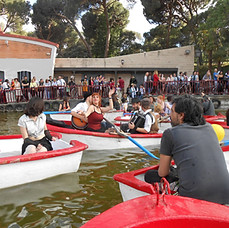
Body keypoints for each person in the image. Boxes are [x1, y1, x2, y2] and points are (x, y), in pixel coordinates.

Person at [145, 94, 229, 205]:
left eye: (172, 111)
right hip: (225, 195)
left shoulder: (170, 133)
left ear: (181, 116)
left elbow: (162, 172)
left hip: (194, 199)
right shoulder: (209, 127)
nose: (170, 114)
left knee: (149, 175)